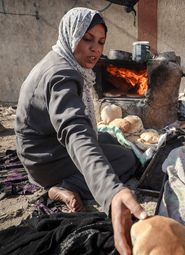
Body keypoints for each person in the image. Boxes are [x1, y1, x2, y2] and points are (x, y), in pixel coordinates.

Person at [14, 7, 147, 254]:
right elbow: (76, 132)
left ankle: (65, 180)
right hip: (45, 159)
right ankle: (61, 186)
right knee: (126, 158)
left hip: (42, 148)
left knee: (113, 140)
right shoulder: (61, 74)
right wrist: (111, 192)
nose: (96, 48)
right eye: (87, 39)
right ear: (71, 34)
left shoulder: (61, 59)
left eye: (101, 42)